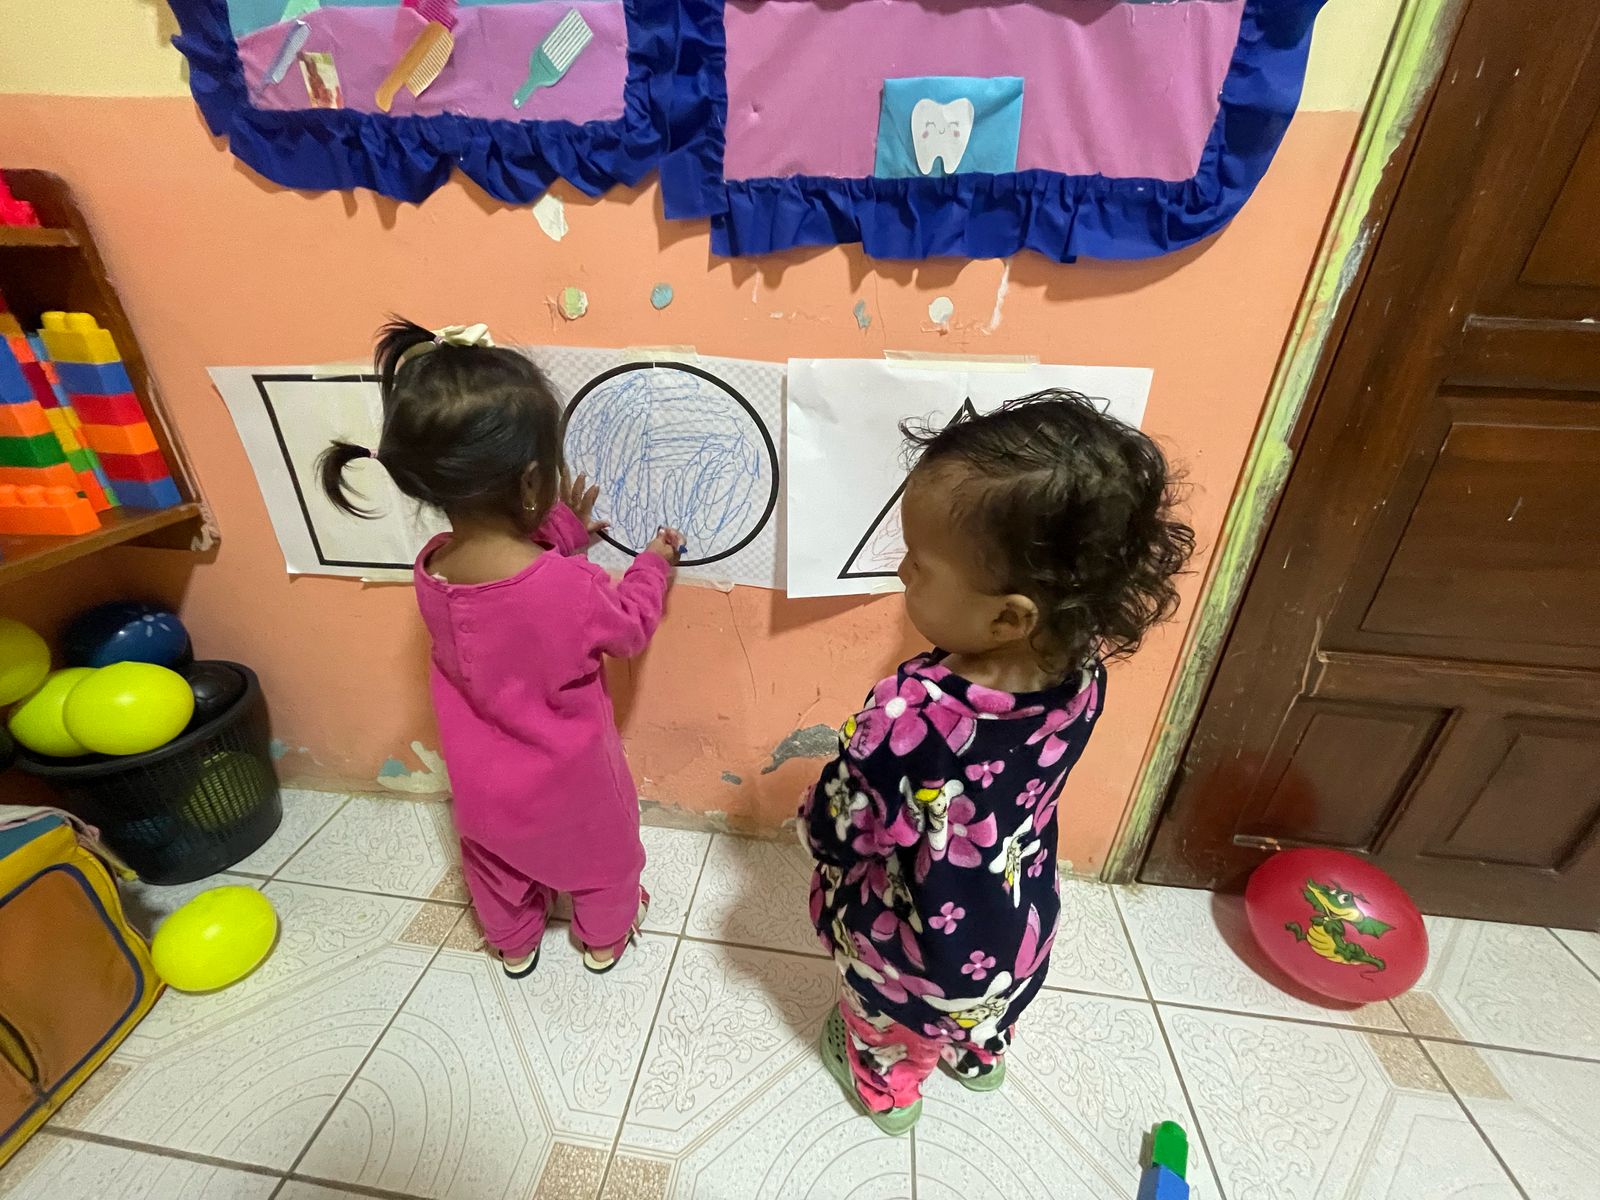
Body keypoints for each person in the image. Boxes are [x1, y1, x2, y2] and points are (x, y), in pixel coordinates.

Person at [799, 389, 1194, 1133]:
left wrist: (816, 831)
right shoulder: (1081, 673)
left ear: (1009, 616)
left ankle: (887, 1088)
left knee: (886, 1024)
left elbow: (838, 825)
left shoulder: (908, 716)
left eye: (919, 564)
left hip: (913, 949)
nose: (903, 573)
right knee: (984, 1006)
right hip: (1016, 927)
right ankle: (978, 1055)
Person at [319, 319, 684, 978]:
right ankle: (603, 940)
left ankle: (513, 945)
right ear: (532, 482)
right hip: (573, 785)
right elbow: (628, 626)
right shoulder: (569, 587)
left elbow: (507, 594)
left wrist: (561, 527)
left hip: (483, 790)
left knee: (494, 868)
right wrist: (653, 563)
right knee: (607, 862)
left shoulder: (434, 570)